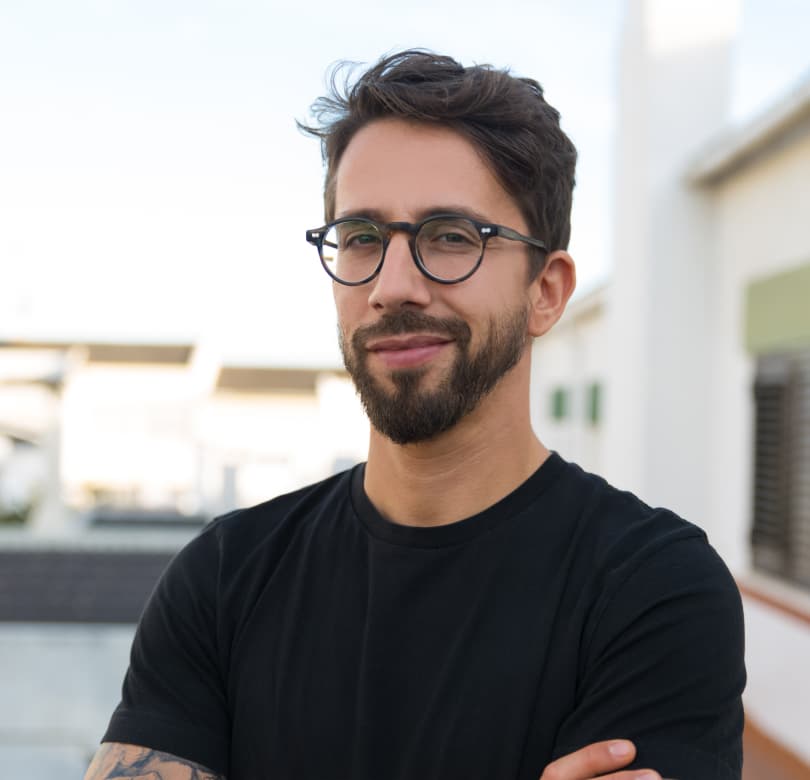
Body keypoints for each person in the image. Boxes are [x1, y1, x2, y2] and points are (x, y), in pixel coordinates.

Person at [85, 50, 745, 780]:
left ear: (547, 292)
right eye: (362, 238)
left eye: (452, 237)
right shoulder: (223, 578)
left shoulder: (652, 590)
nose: (392, 286)